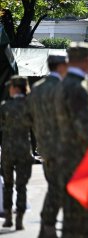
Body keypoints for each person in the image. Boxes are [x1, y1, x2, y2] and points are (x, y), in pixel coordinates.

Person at [54, 42, 88, 237]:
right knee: (82, 215)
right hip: (80, 156)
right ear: (86, 60)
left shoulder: (64, 84)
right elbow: (84, 127)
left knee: (71, 215)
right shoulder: (78, 87)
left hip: (66, 154)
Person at [26, 52, 68, 237]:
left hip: (43, 144)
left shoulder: (36, 88)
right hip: (60, 145)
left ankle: (46, 228)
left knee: (55, 185)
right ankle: (48, 225)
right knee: (58, 187)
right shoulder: (62, 87)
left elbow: (29, 115)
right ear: (60, 66)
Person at [0, 76, 32, 230]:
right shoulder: (29, 106)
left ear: (15, 88)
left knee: (8, 185)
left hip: (7, 150)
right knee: (21, 186)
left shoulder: (5, 106)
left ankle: (8, 217)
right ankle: (19, 218)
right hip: (24, 150)